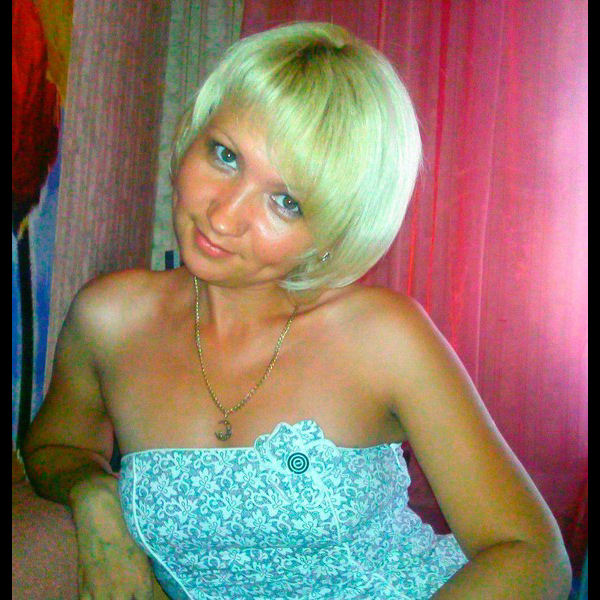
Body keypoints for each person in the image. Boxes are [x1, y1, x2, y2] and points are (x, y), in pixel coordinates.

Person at [22, 21, 571, 600]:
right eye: (226, 155)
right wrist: (94, 498)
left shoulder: (381, 335)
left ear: (335, 231)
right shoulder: (109, 320)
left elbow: (532, 555)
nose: (224, 216)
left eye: (286, 202)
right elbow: (56, 448)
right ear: (192, 134)